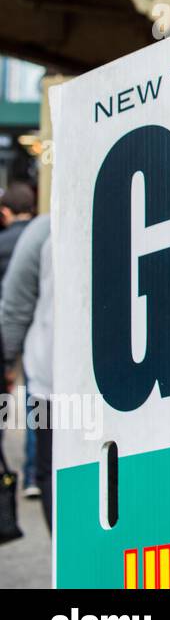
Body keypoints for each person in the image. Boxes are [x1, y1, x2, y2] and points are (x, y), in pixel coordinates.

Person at [1, 214, 52, 530]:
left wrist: (6, 363)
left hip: (52, 385)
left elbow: (16, 307)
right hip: (119, 384)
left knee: (51, 469)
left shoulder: (43, 230)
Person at [0, 182, 37, 498]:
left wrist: (6, 361)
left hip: (9, 330)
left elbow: (11, 304)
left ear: (5, 211)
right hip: (41, 330)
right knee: (37, 399)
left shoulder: (2, 242)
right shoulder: (42, 238)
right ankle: (33, 473)